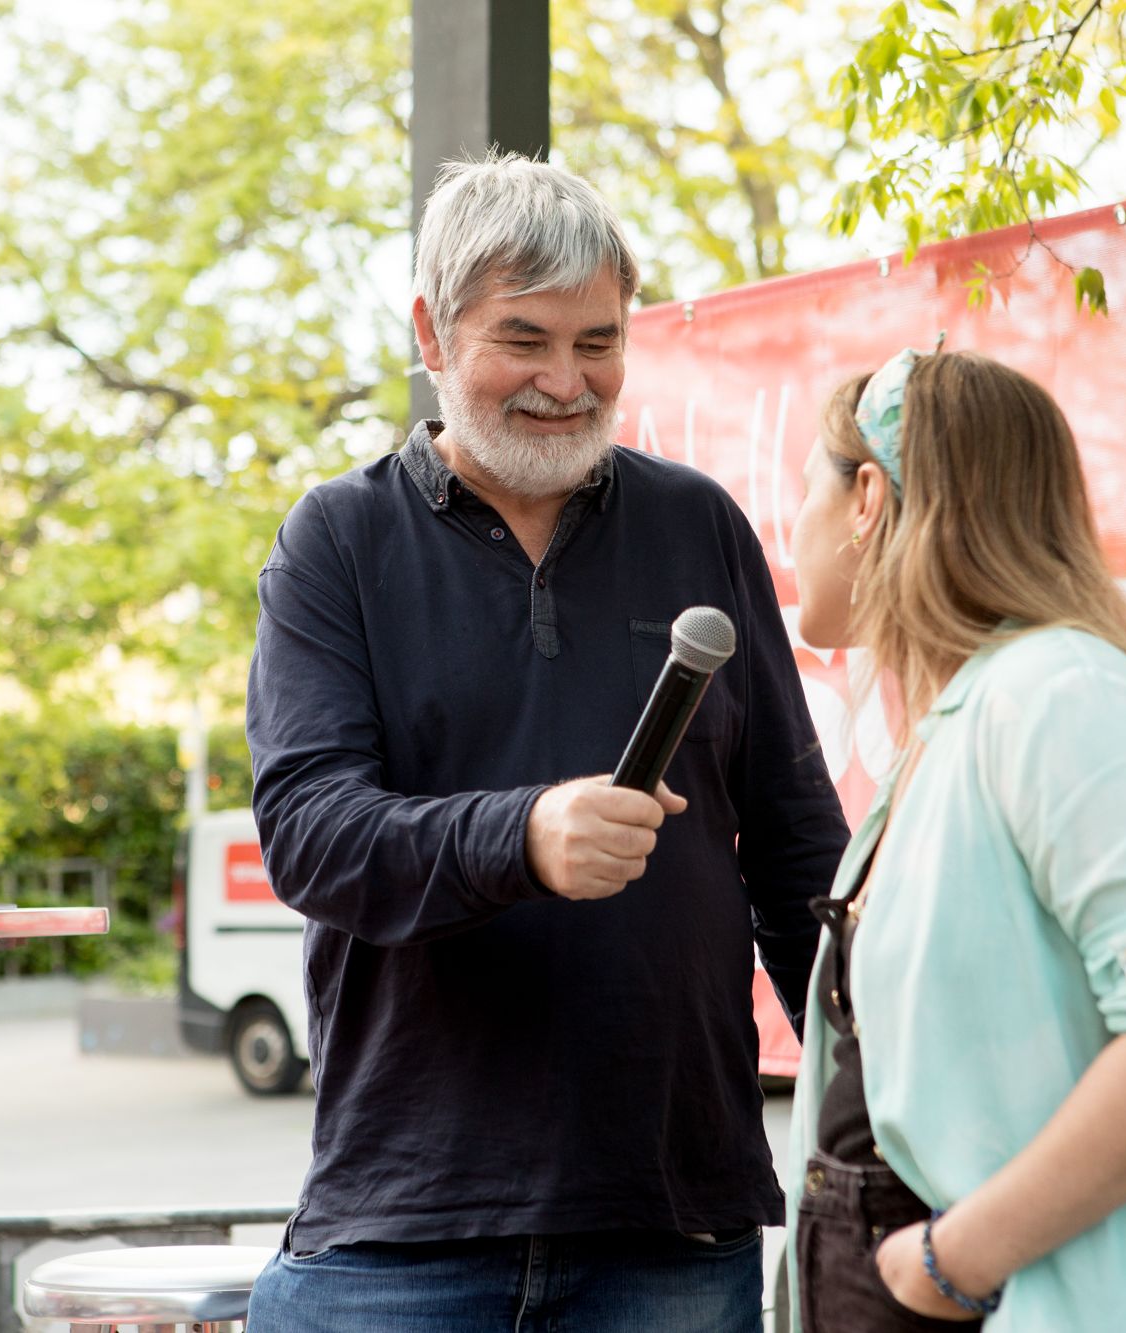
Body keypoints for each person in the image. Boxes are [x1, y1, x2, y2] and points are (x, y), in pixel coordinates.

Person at [240, 153, 849, 1332]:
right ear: (430, 330)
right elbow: (310, 836)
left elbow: (795, 850)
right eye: (524, 340)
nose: (566, 383)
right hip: (403, 1227)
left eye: (597, 343)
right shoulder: (337, 541)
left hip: (673, 1225)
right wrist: (522, 835)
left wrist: (884, 1105)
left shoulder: (698, 525)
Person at [783, 348, 1126, 1331]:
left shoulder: (1059, 691)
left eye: (807, 486)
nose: (790, 524)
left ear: (867, 499)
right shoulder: (954, 726)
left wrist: (950, 1260)